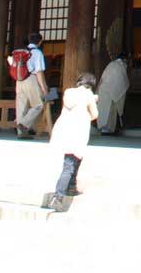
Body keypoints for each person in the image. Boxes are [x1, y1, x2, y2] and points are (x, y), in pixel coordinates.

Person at [42, 71, 99, 213]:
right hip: (78, 131)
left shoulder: (68, 92)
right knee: (70, 164)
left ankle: (71, 187)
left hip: (64, 128)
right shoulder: (88, 95)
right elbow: (95, 114)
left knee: (71, 160)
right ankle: (59, 195)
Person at [9, 34, 48, 139]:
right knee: (38, 104)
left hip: (19, 81)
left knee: (21, 106)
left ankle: (21, 133)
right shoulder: (37, 53)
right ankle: (24, 124)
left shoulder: (20, 52)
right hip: (31, 79)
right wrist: (44, 88)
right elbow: (39, 72)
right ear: (40, 42)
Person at [96, 56, 129, 135]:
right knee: (110, 112)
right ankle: (109, 130)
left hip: (103, 90)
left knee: (103, 110)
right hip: (112, 93)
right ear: (124, 60)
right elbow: (123, 82)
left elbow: (103, 78)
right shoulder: (120, 66)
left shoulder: (110, 65)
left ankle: (103, 129)